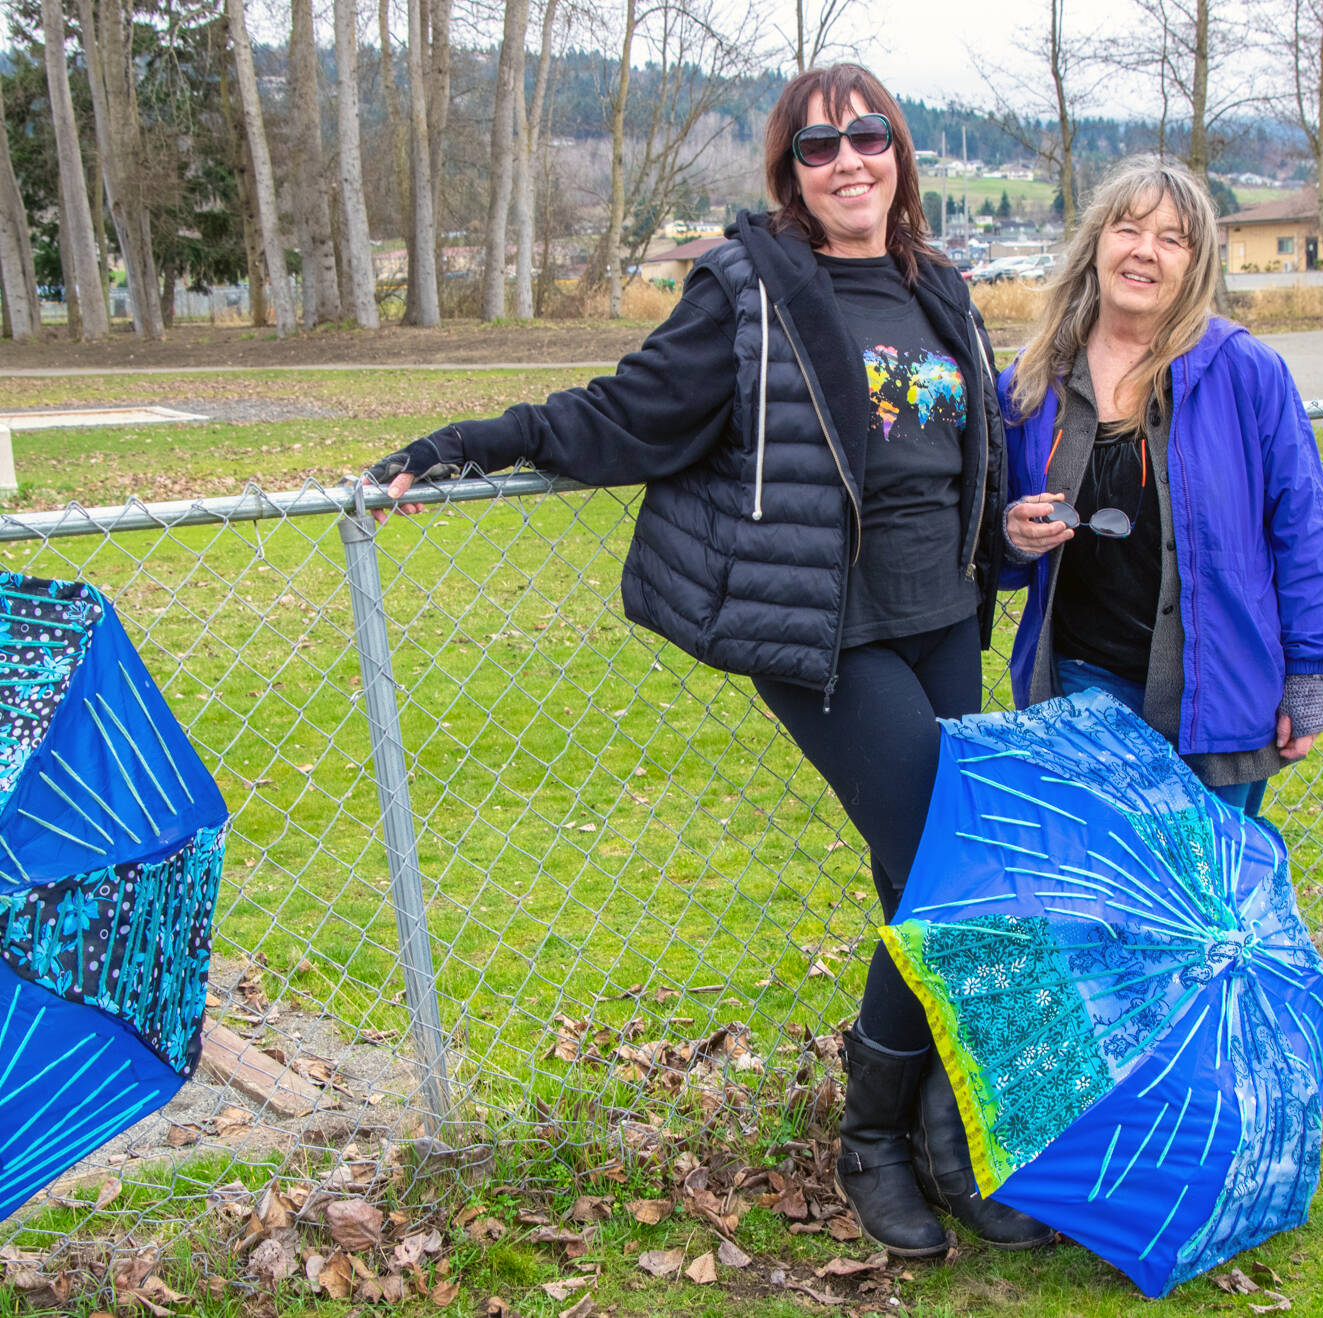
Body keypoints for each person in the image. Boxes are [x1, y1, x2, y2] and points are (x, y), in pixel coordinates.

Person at [365, 63, 1047, 1257]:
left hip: (941, 611)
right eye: (817, 148)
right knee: (951, 855)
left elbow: (954, 452)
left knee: (936, 875)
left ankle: (946, 1129)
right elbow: (630, 413)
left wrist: (1004, 529)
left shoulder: (936, 285)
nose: (848, 162)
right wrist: (472, 445)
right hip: (820, 630)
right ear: (788, 174)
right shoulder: (747, 290)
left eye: (867, 138)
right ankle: (878, 1139)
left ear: (899, 155)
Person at [1000, 155, 1323, 818]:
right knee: (1107, 905)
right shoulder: (1035, 379)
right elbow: (993, 536)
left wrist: (1306, 673)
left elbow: (1303, 528)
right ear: (1096, 244)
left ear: (1196, 264)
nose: (1145, 252)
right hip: (1082, 690)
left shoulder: (1245, 372)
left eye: (1171, 238)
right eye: (1128, 229)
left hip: (1219, 692)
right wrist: (1013, 536)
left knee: (1206, 910)